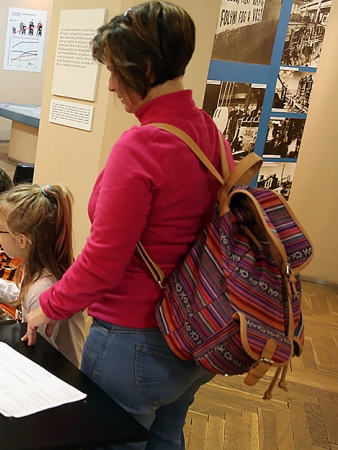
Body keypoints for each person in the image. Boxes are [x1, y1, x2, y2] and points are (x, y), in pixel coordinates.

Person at [24, 3, 234, 449]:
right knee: (166, 436)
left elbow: (104, 261)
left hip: (134, 340)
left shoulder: (142, 145)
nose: (114, 84)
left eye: (117, 70)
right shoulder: (210, 133)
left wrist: (49, 306)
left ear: (149, 66)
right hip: (195, 328)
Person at [0, 184, 86, 366]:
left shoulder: (43, 288)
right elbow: (23, 296)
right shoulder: (36, 269)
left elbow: (40, 355)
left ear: (21, 240)